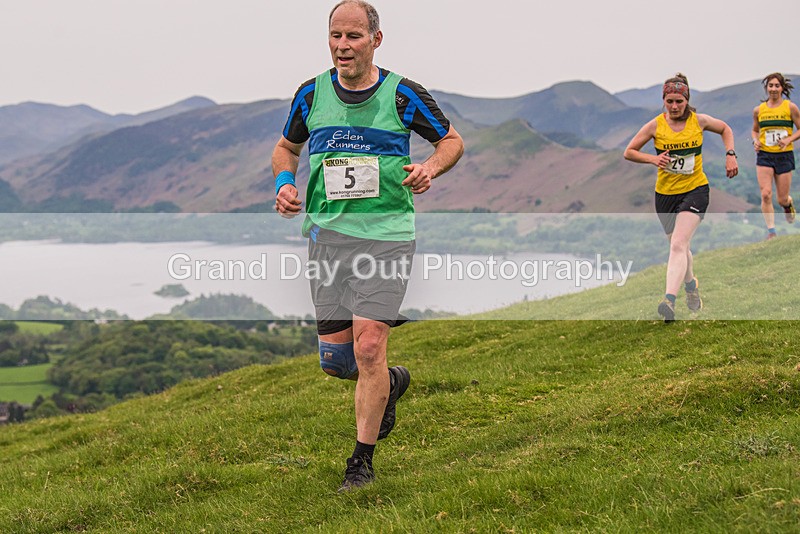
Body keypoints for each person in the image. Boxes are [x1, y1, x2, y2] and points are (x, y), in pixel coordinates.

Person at [271, 0, 463, 491]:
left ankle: (361, 464)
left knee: (371, 347)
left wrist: (429, 168)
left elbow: (451, 141)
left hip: (386, 239)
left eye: (353, 36)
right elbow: (286, 149)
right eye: (335, 35)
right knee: (339, 362)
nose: (342, 45)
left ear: (376, 40)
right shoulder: (311, 95)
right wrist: (284, 184)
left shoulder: (403, 95)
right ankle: (392, 384)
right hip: (328, 241)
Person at [623, 73, 738, 323]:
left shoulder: (700, 121)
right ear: (664, 100)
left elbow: (725, 129)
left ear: (687, 100)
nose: (674, 106)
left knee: (678, 244)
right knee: (679, 247)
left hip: (695, 189)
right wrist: (654, 159)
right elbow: (629, 152)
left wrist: (730, 153)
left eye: (679, 101)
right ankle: (691, 285)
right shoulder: (655, 126)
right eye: (670, 101)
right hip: (665, 195)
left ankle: (669, 301)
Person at [751, 73, 800, 239]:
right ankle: (771, 231)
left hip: (784, 155)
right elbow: (755, 130)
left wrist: (789, 139)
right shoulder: (759, 110)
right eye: (770, 85)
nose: (773, 89)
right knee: (765, 193)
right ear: (766, 88)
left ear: (782, 88)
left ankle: (788, 205)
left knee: (782, 199)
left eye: (776, 86)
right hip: (765, 155)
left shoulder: (790, 108)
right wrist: (755, 141)